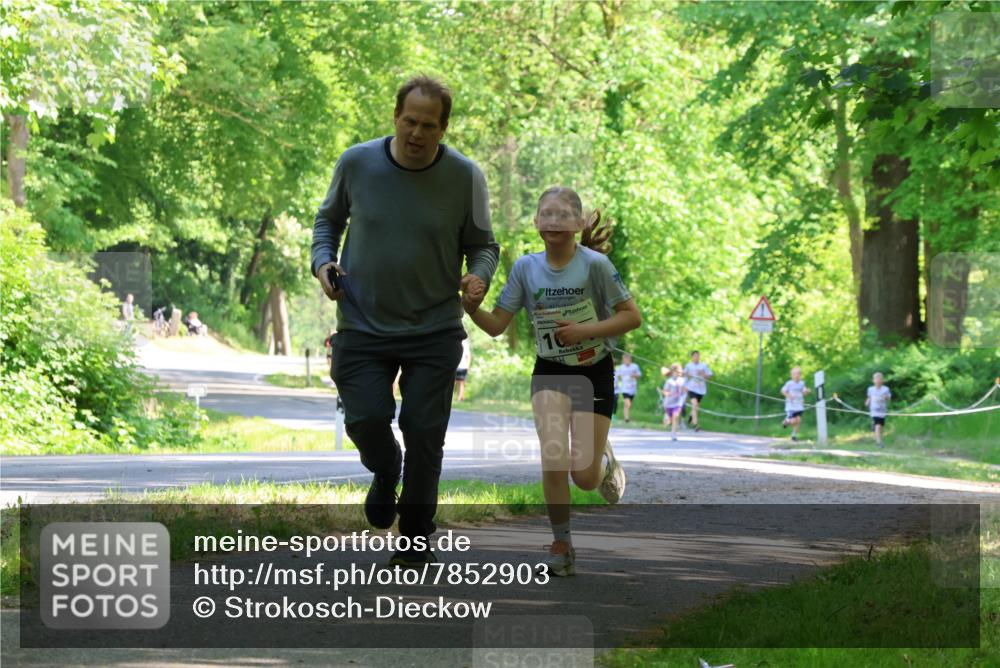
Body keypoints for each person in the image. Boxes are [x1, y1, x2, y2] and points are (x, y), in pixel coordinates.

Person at [311, 76, 499, 568]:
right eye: (409, 121)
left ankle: (415, 535)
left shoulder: (465, 176)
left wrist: (478, 276)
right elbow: (327, 221)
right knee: (367, 420)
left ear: (444, 128)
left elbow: (484, 245)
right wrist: (322, 262)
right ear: (395, 117)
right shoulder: (357, 163)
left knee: (424, 430)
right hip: (361, 323)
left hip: (434, 328)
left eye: (428, 125)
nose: (417, 133)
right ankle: (384, 466)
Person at [466, 187, 641, 576]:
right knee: (553, 457)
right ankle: (561, 544)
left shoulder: (595, 265)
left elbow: (631, 317)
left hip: (593, 370)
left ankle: (604, 464)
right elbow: (496, 326)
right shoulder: (526, 268)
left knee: (583, 475)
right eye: (547, 214)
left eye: (564, 215)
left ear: (579, 224)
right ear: (536, 222)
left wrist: (585, 331)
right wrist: (472, 309)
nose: (554, 222)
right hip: (549, 372)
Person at [683, 350, 713, 431]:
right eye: (695, 356)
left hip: (701, 389)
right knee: (694, 404)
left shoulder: (704, 366)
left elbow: (709, 376)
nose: (696, 357)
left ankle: (691, 417)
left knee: (695, 407)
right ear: (692, 357)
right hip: (691, 388)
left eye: (698, 356)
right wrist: (685, 383)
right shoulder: (688, 366)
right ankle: (696, 424)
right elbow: (683, 375)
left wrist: (703, 374)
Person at [781, 366, 810, 442]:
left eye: (798, 374)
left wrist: (807, 391)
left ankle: (794, 435)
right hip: (791, 406)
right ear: (792, 375)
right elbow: (783, 391)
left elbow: (804, 392)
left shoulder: (802, 383)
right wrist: (789, 396)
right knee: (793, 421)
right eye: (795, 374)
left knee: (798, 420)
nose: (796, 376)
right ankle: (786, 421)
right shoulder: (789, 383)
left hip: (799, 406)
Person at [865, 372, 891, 448]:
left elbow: (888, 398)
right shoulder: (870, 389)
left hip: (882, 410)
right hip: (874, 410)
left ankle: (877, 434)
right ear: (873, 380)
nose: (878, 380)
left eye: (879, 379)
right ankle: (879, 442)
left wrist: (885, 397)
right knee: (878, 426)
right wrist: (867, 402)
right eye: (876, 379)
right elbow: (869, 397)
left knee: (881, 426)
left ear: (882, 380)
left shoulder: (886, 389)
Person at [661, 363, 687, 441]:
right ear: (673, 372)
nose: (679, 373)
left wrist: (684, 391)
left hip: (678, 402)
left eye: (680, 371)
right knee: (671, 419)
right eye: (677, 371)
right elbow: (665, 391)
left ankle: (673, 433)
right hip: (669, 403)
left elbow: (685, 390)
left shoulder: (682, 380)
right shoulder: (669, 381)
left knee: (676, 416)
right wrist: (667, 393)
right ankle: (668, 419)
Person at [614, 352, 641, 423]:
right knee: (628, 403)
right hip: (624, 388)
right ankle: (626, 418)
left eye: (627, 359)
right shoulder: (621, 367)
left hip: (632, 388)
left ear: (630, 359)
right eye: (624, 359)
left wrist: (634, 375)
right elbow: (617, 376)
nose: (625, 360)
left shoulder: (635, 366)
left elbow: (639, 375)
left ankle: (626, 417)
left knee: (628, 404)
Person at [455, 337, 472, 401]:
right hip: (456, 366)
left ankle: (460, 398)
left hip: (463, 366)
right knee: (455, 382)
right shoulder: (456, 342)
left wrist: (468, 366)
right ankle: (457, 397)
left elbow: (468, 356)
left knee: (461, 383)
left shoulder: (465, 344)